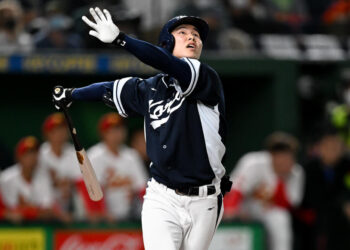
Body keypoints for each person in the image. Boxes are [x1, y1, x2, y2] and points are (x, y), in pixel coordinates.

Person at [53, 7, 231, 250]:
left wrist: (121, 39)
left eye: (197, 35)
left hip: (205, 199)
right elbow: (110, 88)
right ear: (166, 42)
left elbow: (164, 61)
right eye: (183, 32)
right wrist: (72, 94)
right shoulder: (149, 89)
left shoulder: (205, 77)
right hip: (162, 195)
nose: (192, 37)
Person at [224, 132, 305, 250]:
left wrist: (280, 180)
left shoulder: (296, 172)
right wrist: (230, 208)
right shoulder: (254, 162)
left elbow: (289, 205)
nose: (282, 158)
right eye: (278, 153)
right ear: (270, 154)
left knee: (281, 218)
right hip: (242, 204)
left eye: (287, 154)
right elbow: (236, 188)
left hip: (265, 208)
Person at [87, 112, 148, 221]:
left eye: (120, 129)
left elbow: (142, 188)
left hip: (130, 216)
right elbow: (91, 191)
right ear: (103, 133)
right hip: (100, 219)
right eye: (112, 130)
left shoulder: (131, 155)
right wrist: (102, 213)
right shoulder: (94, 156)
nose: (117, 133)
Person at [0, 136, 64, 222]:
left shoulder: (44, 178)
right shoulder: (6, 178)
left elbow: (48, 211)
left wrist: (26, 209)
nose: (32, 157)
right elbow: (11, 212)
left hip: (38, 229)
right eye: (27, 154)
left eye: (34, 153)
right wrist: (34, 210)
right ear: (18, 157)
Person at [39, 113, 81, 221]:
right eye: (55, 131)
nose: (60, 134)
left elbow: (80, 184)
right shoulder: (39, 155)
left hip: (69, 210)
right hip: (44, 213)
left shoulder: (75, 153)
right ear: (47, 134)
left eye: (63, 129)